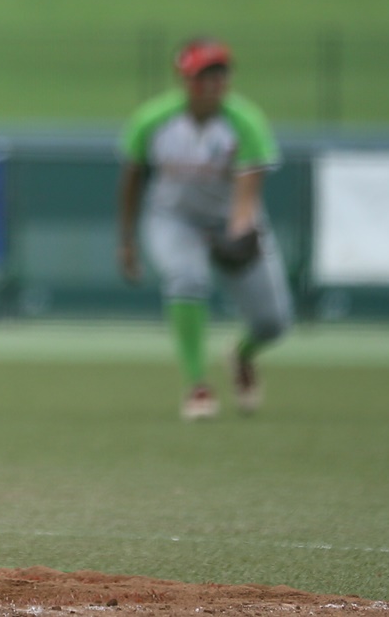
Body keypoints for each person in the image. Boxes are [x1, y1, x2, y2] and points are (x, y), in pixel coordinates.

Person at [115, 38, 290, 421]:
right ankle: (197, 385)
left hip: (229, 219)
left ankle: (241, 355)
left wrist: (240, 231)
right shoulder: (154, 121)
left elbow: (248, 192)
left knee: (273, 324)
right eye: (204, 75)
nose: (214, 82)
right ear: (186, 80)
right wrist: (126, 241)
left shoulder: (244, 121)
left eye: (220, 73)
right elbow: (131, 181)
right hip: (173, 219)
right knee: (186, 278)